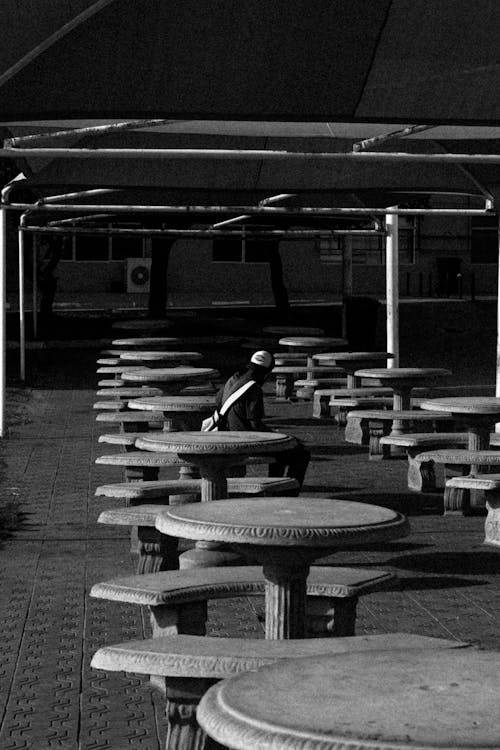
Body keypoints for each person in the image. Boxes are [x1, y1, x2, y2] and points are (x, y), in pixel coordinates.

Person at [214, 350, 310, 491]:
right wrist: (280, 437)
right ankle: (287, 494)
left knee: (281, 449)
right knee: (302, 453)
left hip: (227, 435)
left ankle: (275, 487)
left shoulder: (233, 379)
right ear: (267, 373)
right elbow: (256, 425)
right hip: (244, 441)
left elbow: (218, 401)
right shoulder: (253, 389)